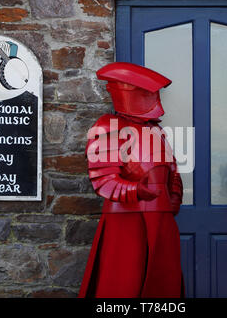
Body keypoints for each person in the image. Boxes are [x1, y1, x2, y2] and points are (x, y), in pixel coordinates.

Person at [79, 62, 184, 298]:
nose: (154, 100)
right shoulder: (107, 127)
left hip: (161, 214)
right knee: (123, 280)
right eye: (146, 94)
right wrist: (136, 190)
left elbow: (171, 169)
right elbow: (103, 181)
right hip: (126, 219)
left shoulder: (155, 131)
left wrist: (174, 194)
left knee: (162, 282)